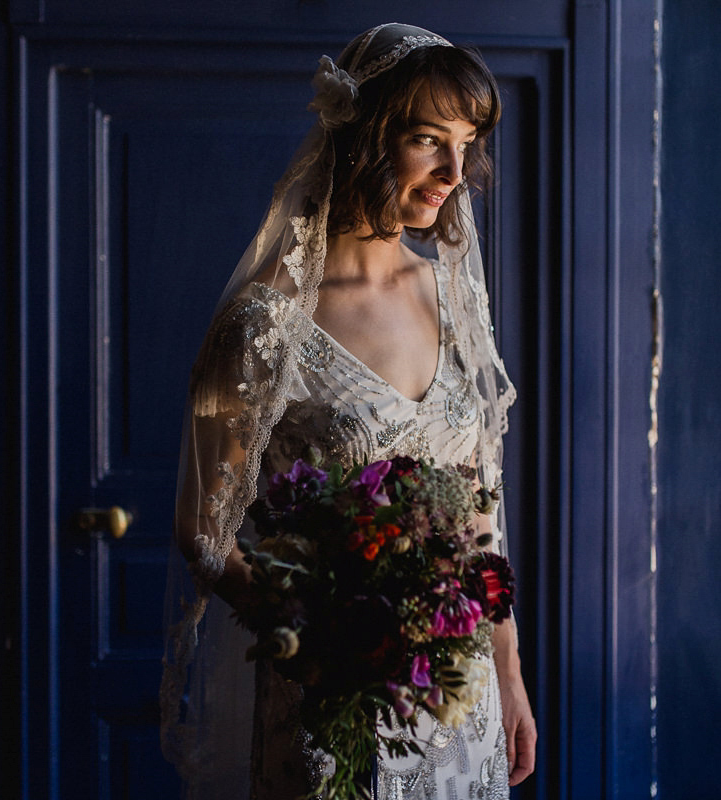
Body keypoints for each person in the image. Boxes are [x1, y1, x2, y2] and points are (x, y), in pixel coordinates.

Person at [160, 23, 536, 800]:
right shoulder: (266, 323)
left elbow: (479, 513)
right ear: (365, 135)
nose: (455, 172)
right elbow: (203, 531)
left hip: (457, 699)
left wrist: (509, 673)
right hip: (335, 696)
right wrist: (319, 637)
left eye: (467, 144)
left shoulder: (454, 296)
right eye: (431, 140)